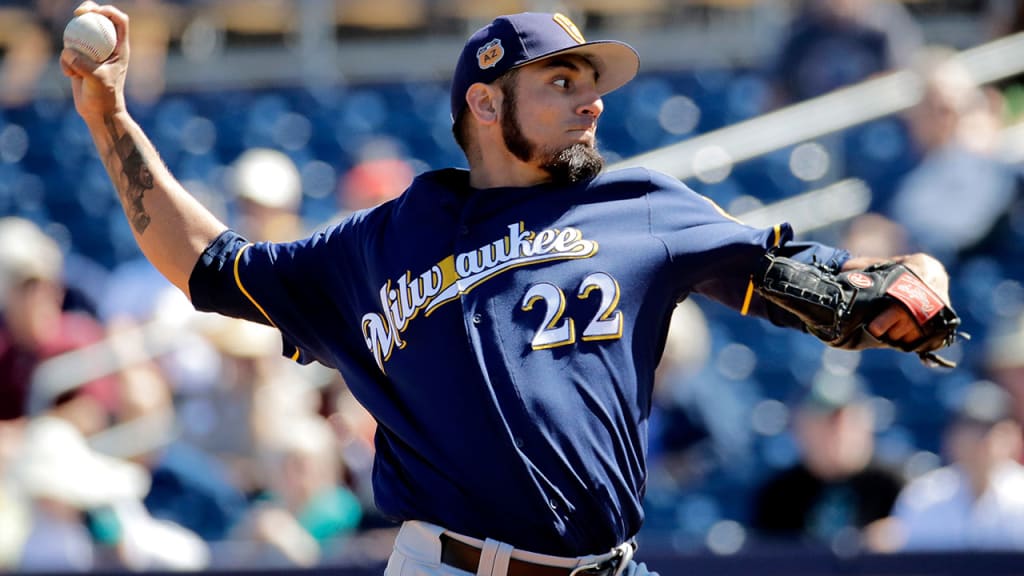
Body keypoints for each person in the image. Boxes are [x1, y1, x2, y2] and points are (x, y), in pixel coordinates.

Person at [62, 5, 956, 575]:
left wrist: (889, 294)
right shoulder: (382, 242)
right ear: (486, 105)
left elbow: (803, 281)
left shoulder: (642, 208)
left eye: (591, 83)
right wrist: (111, 119)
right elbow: (208, 267)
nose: (591, 100)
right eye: (561, 81)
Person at [750, 374, 904, 551]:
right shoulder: (777, 496)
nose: (837, 430)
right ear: (798, 427)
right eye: (824, 420)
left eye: (845, 419)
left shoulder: (901, 487)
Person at [883, 380, 1024, 551]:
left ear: (1013, 436)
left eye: (988, 430)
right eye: (970, 428)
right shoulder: (924, 496)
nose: (980, 442)